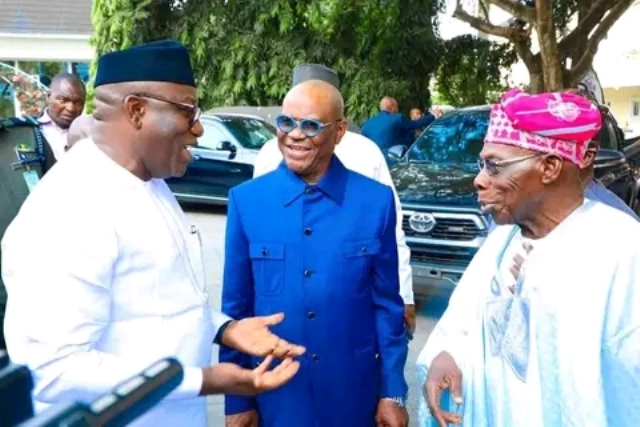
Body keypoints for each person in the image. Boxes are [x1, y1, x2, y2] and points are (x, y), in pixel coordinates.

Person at [1, 40, 304, 426]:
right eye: (188, 111)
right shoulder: (70, 207)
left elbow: (159, 303)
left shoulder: (150, 182)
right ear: (137, 111)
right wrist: (205, 380)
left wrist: (226, 330)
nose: (197, 128)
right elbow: (53, 369)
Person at [417, 88, 640, 427]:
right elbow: (461, 326)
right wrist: (444, 356)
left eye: (494, 166)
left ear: (549, 167)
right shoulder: (502, 242)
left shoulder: (620, 249)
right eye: (482, 164)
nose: (479, 180)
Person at [221, 79, 409, 427]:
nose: (294, 134)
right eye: (286, 122)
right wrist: (237, 400)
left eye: (310, 126)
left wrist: (392, 391)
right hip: (276, 395)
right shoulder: (247, 201)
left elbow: (387, 306)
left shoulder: (375, 201)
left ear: (339, 131)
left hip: (353, 395)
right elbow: (235, 311)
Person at [253, 64, 416, 335]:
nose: (299, 134)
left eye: (313, 122)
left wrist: (404, 294)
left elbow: (391, 230)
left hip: (353, 294)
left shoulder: (365, 151)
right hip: (283, 300)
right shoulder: (271, 152)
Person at [361, 96, 434, 157]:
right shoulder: (397, 118)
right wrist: (433, 115)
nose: (397, 109)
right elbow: (416, 124)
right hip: (396, 162)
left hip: (375, 163)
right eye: (397, 107)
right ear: (392, 107)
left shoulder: (367, 124)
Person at [38, 72, 87, 161]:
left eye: (78, 102)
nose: (71, 108)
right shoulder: (32, 131)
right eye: (63, 100)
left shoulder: (90, 133)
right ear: (49, 97)